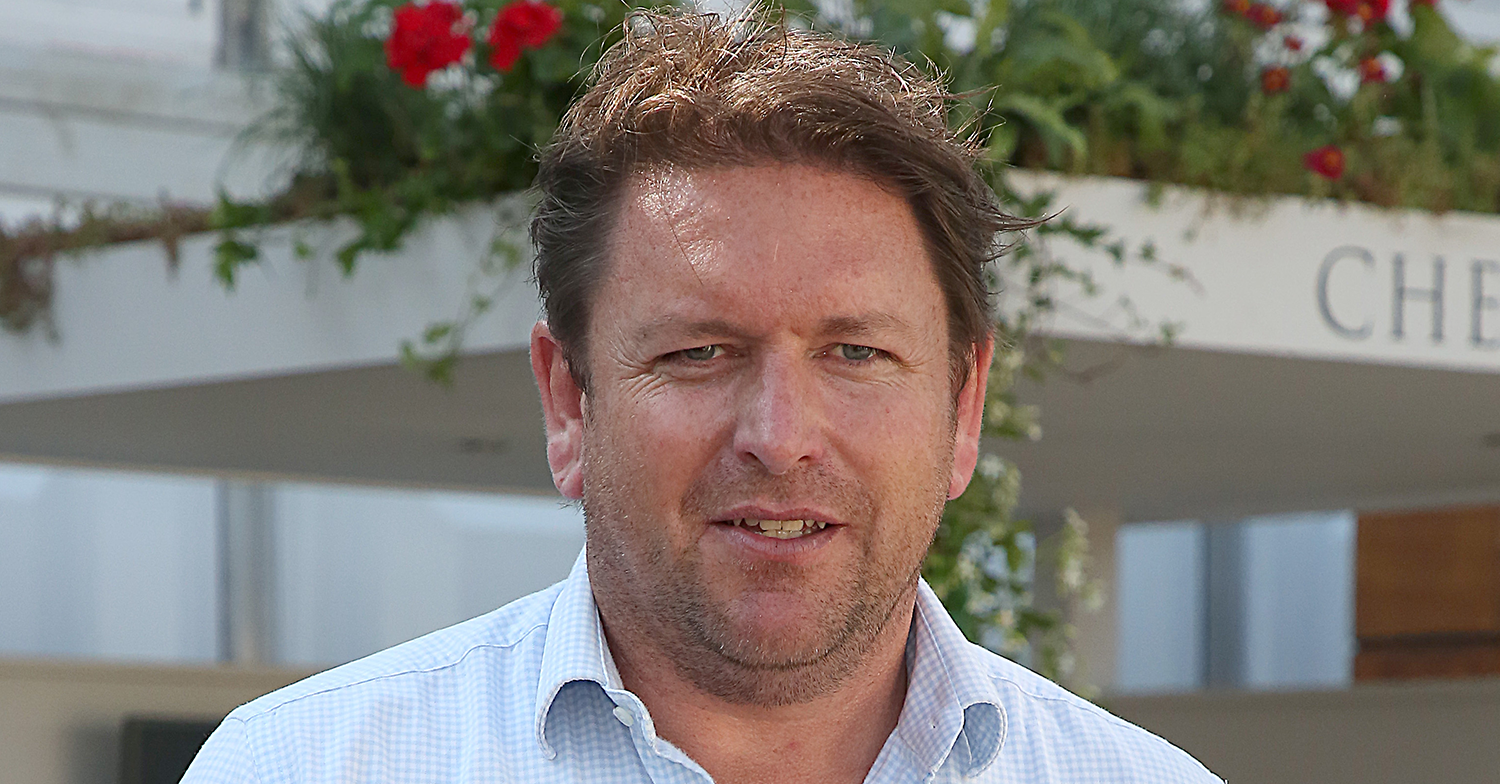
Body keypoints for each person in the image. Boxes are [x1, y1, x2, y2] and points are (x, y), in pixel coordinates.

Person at [184, 9, 1221, 784]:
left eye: (856, 352)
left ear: (964, 407)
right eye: (699, 352)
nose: (779, 436)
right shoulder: (303, 766)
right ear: (568, 404)